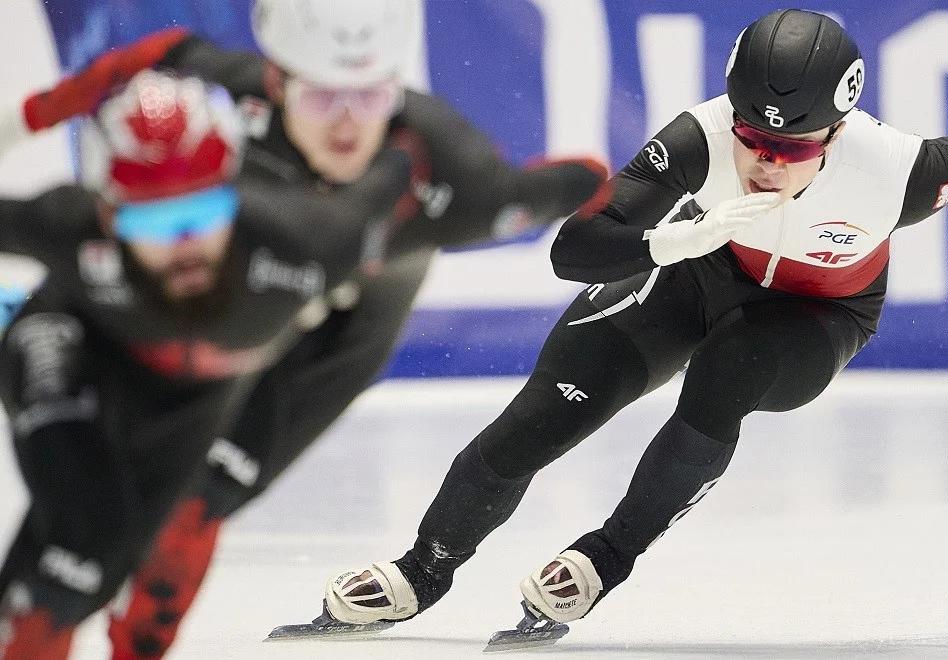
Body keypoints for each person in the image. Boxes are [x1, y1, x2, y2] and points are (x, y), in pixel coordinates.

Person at [315, 8, 948, 635]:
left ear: (840, 130)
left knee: (730, 368)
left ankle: (606, 557)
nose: (765, 161)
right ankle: (424, 568)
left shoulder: (898, 172)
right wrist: (671, 239)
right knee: (553, 403)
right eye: (753, 138)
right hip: (699, 270)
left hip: (817, 314)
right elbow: (576, 251)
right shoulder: (698, 138)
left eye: (794, 149)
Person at [0, 1, 608, 656]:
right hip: (223, 287)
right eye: (321, 99)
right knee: (89, 533)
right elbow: (156, 55)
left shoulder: (438, 172)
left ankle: (139, 630)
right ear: (276, 82)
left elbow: (562, 187)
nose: (347, 122)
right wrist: (31, 116)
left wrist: (641, 192)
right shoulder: (225, 105)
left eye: (372, 96)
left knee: (199, 500)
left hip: (343, 280)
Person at [0, 69, 418, 659]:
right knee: (83, 547)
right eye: (152, 222)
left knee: (151, 525)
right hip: (68, 346)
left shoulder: (307, 240)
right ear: (107, 213)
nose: (184, 243)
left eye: (204, 210)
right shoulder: (67, 226)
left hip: (192, 383)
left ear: (236, 192)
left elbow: (440, 185)